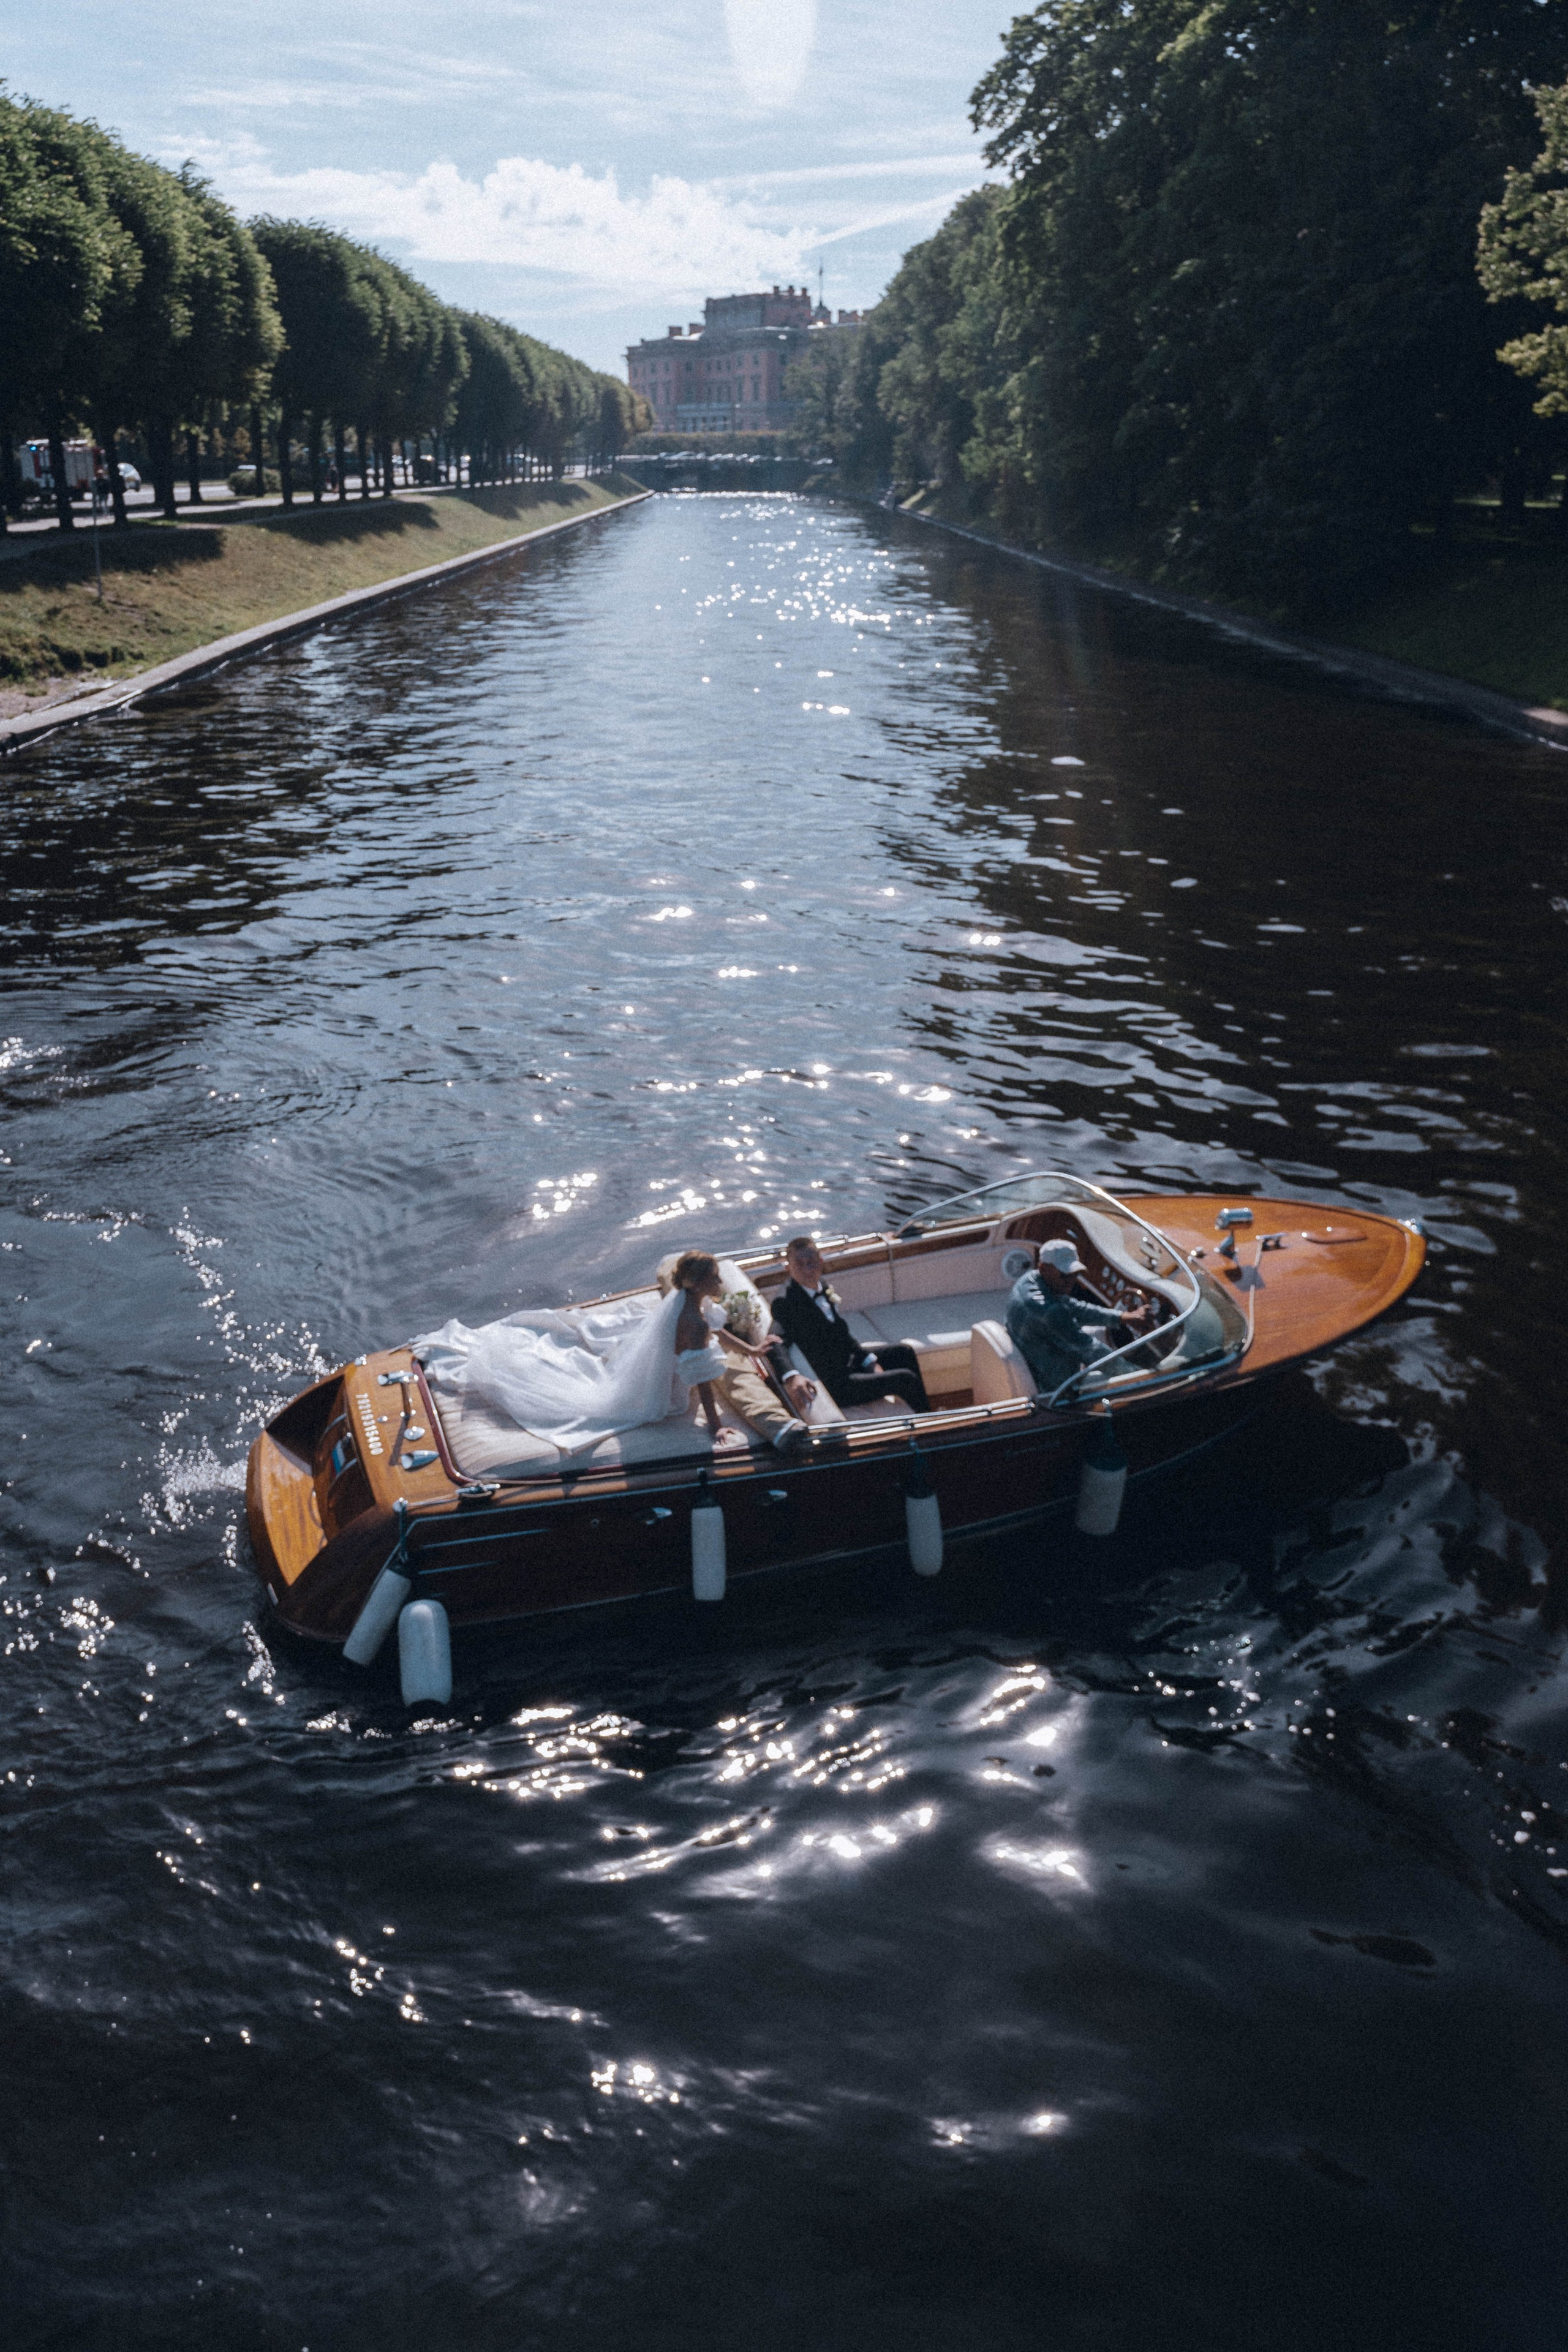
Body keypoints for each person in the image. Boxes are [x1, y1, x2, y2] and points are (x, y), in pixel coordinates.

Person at [657, 1251, 816, 1453]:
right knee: (723, 1368)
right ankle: (778, 1427)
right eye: (714, 1277)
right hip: (679, 1374)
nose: (720, 1281)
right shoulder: (696, 1324)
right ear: (698, 1284)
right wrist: (716, 1426)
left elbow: (718, 1331)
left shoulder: (692, 1298)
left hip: (694, 1350)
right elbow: (702, 1380)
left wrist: (753, 1350)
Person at [770, 1234, 930, 1414]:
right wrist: (792, 1377)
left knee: (904, 1352)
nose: (807, 1269)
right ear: (788, 1269)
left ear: (821, 1262)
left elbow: (841, 1332)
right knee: (905, 1379)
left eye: (811, 1262)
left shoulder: (820, 1285)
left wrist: (869, 1361)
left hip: (848, 1362)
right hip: (837, 1385)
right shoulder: (785, 1302)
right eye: (799, 1264)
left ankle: (925, 1414)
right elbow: (775, 1341)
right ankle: (932, 1426)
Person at [1006, 1238, 1155, 1401]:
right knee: (1127, 1385)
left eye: (1075, 1274)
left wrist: (1123, 1317)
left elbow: (1073, 1307)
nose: (1071, 1282)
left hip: (1036, 1355)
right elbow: (1092, 1351)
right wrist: (1139, 1377)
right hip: (1056, 1388)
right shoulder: (1048, 1311)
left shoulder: (1029, 1281)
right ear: (1044, 1268)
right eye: (1065, 1275)